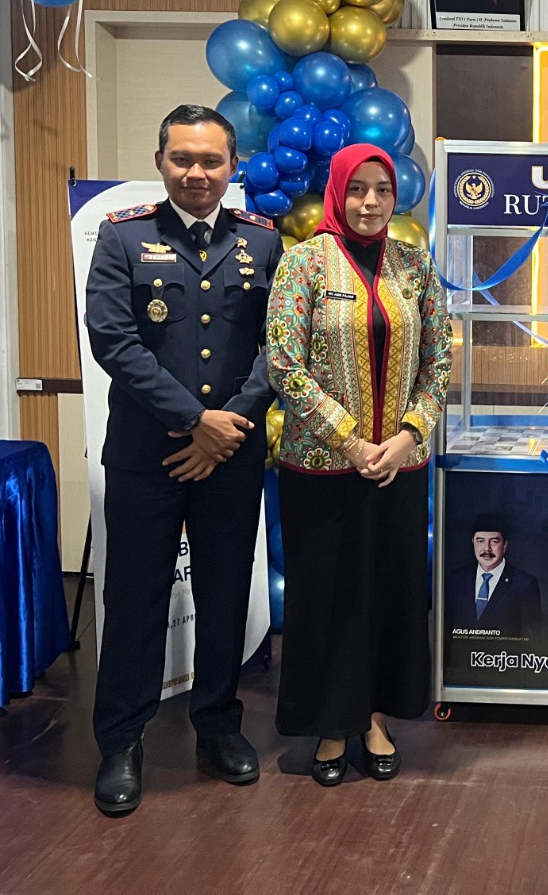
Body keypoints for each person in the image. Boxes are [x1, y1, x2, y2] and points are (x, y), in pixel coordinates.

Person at [84, 104, 283, 816]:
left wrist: (226, 428)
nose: (196, 173)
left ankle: (218, 725)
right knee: (135, 599)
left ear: (233, 167)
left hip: (232, 453)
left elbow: (279, 346)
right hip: (148, 457)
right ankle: (122, 741)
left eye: (210, 161)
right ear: (161, 162)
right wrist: (195, 421)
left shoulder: (263, 241)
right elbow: (113, 339)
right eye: (182, 159)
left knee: (225, 595)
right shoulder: (123, 237)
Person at [265, 143, 451, 787]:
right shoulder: (303, 264)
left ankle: (373, 717)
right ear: (337, 192)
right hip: (323, 470)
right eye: (357, 189)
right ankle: (330, 723)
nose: (370, 202)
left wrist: (407, 435)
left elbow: (439, 359)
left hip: (399, 469)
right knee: (328, 599)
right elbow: (283, 363)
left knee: (389, 596)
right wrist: (349, 441)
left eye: (382, 190)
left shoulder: (414, 265)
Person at [445, 515, 542, 637]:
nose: (487, 548)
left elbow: (533, 635)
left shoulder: (524, 583)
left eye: (494, 541)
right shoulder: (457, 579)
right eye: (480, 541)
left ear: (505, 545)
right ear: (473, 542)